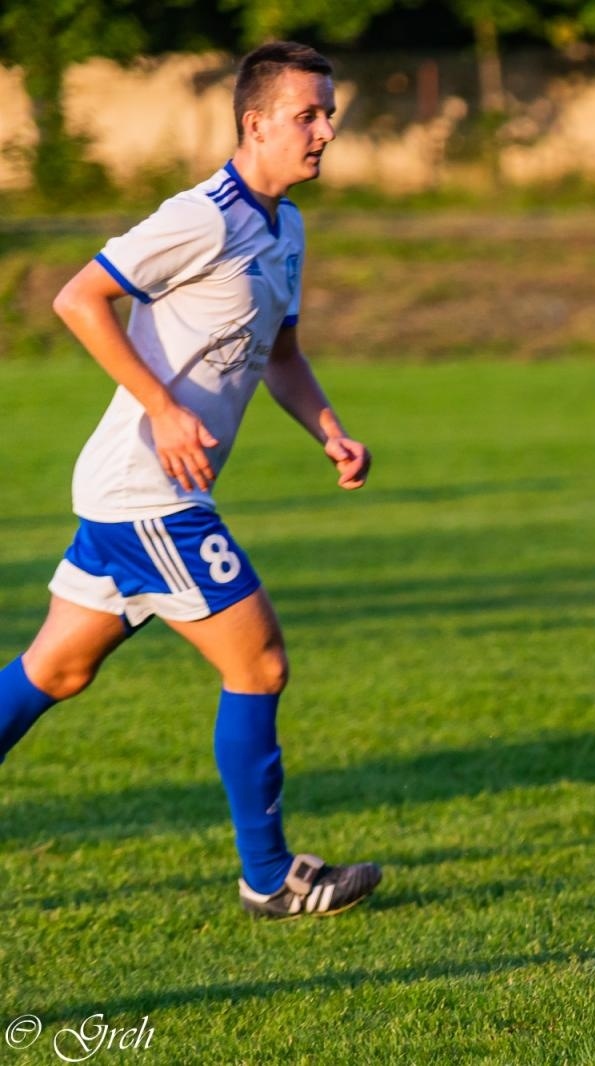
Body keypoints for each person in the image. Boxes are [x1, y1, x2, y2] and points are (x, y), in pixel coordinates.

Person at [0, 41, 381, 919]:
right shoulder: (203, 215)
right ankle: (270, 879)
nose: (325, 131)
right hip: (149, 495)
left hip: (136, 494)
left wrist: (330, 430)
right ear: (255, 124)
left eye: (329, 112)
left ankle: (269, 875)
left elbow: (280, 353)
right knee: (260, 663)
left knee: (54, 672)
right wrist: (162, 411)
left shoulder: (286, 227)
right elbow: (76, 299)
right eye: (308, 115)